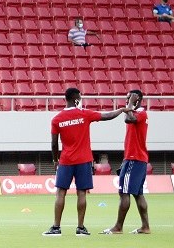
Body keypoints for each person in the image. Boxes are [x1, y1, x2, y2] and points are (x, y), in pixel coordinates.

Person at [43, 87, 133, 237]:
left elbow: (53, 144)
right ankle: (80, 228)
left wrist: (55, 160)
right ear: (76, 99)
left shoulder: (57, 119)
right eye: (80, 97)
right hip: (84, 160)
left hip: (65, 160)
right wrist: (121, 110)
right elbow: (107, 116)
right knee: (82, 193)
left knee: (60, 193)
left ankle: (56, 228)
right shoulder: (84, 114)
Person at [102, 89, 151, 235]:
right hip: (137, 159)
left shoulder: (140, 113)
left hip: (133, 159)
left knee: (124, 192)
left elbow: (128, 119)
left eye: (129, 98)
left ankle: (118, 227)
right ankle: (145, 227)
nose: (126, 100)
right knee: (138, 194)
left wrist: (130, 104)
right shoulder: (139, 113)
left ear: (137, 99)